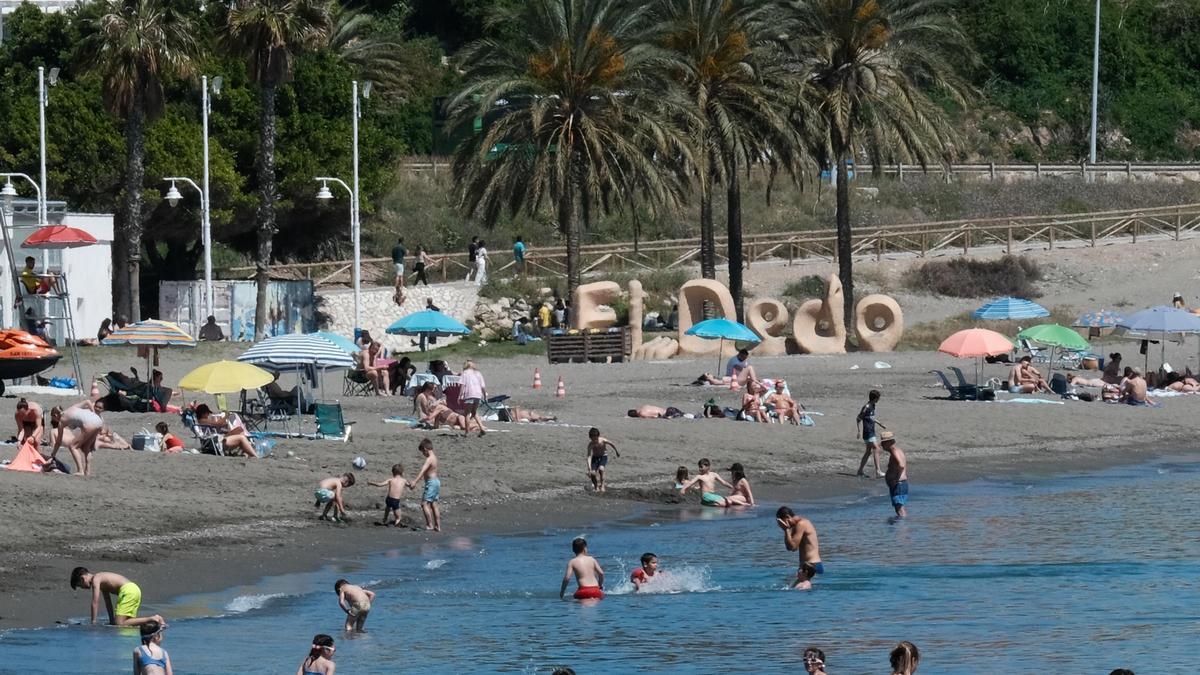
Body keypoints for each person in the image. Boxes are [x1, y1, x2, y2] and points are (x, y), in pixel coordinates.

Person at [69, 567, 163, 627]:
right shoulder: (102, 581)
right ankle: (152, 623)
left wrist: (93, 622)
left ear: (82, 578)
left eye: (81, 585)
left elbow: (95, 602)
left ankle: (153, 619)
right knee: (127, 623)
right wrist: (111, 621)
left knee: (120, 624)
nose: (83, 588)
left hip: (128, 591)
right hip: (134, 590)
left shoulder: (96, 579)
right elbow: (108, 602)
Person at [776, 506, 823, 590]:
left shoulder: (801, 524)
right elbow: (791, 548)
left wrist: (786, 530)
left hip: (811, 566)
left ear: (787, 517)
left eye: (783, 523)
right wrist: (787, 530)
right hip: (809, 566)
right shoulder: (797, 524)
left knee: (799, 589)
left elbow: (792, 546)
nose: (785, 525)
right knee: (790, 586)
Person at [55, 400, 104, 475]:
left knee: (72, 446)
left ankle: (80, 470)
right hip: (99, 421)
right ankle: (87, 471)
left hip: (89, 423)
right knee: (86, 447)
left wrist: (53, 454)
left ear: (55, 415)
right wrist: (94, 414)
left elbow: (58, 441)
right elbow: (87, 401)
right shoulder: (72, 408)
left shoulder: (61, 421)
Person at [193, 404, 258, 457]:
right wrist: (227, 415)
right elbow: (218, 423)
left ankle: (246, 453)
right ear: (203, 413)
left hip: (217, 438)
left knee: (239, 430)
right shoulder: (202, 420)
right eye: (207, 413)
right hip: (215, 441)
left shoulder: (204, 421)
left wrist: (224, 421)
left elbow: (219, 424)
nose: (208, 415)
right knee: (241, 436)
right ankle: (254, 455)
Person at [407, 438, 441, 531]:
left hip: (431, 483)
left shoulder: (429, 459)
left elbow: (422, 471)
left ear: (425, 449)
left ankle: (429, 525)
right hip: (436, 482)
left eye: (423, 452)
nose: (423, 454)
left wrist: (414, 481)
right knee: (434, 504)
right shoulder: (435, 457)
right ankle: (437, 526)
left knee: (424, 504)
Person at [856, 389, 886, 478]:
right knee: (877, 449)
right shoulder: (867, 407)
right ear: (875, 398)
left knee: (868, 452)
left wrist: (880, 423)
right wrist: (859, 431)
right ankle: (878, 471)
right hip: (867, 432)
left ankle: (860, 471)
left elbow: (871, 418)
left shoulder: (873, 406)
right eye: (878, 398)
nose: (879, 399)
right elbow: (858, 418)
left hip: (872, 431)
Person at [880, 431, 908, 518]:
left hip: (899, 484)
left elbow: (901, 465)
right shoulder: (898, 450)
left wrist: (896, 478)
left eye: (883, 443)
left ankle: (901, 530)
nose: (882, 445)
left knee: (899, 508)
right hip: (901, 484)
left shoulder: (894, 451)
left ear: (889, 442)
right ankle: (901, 527)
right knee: (899, 507)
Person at [586, 427, 619, 492]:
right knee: (592, 473)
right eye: (592, 439)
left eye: (595, 438)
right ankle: (596, 486)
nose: (594, 440)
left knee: (601, 469)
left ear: (598, 436)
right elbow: (589, 456)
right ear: (590, 437)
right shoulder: (590, 445)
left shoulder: (603, 440)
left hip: (603, 457)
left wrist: (616, 451)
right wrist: (589, 467)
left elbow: (611, 444)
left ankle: (602, 485)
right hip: (595, 458)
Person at [460, 360, 488, 436]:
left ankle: (467, 432)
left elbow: (462, 385)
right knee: (474, 412)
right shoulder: (478, 373)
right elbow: (482, 386)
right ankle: (482, 428)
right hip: (478, 394)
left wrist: (460, 395)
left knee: (467, 413)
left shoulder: (464, 373)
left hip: (469, 394)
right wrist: (485, 395)